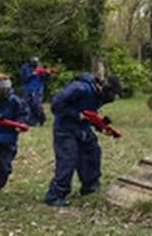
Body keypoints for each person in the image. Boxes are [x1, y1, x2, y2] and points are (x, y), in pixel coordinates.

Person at [44, 73, 121, 206]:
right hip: (65, 129)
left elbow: (90, 114)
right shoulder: (79, 88)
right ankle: (55, 195)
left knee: (93, 153)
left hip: (83, 129)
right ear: (104, 87)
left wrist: (101, 126)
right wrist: (76, 115)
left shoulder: (98, 96)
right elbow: (56, 105)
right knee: (68, 159)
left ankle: (90, 186)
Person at [19, 56, 50, 126]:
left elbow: (45, 79)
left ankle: (42, 119)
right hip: (27, 89)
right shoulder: (24, 68)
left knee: (36, 104)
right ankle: (31, 122)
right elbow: (24, 79)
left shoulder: (40, 67)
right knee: (26, 105)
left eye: (37, 63)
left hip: (38, 89)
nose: (36, 65)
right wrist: (33, 74)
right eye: (34, 63)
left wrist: (47, 74)